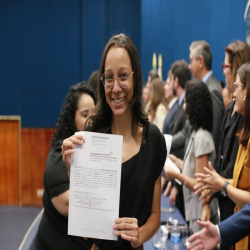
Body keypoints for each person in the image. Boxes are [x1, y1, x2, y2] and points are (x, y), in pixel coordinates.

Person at [62, 34, 167, 250]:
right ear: (102, 83)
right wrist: (72, 168)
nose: (116, 87)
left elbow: (155, 215)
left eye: (123, 76)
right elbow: (85, 230)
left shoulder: (153, 140)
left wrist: (140, 235)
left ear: (135, 78)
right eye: (109, 77)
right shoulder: (90, 137)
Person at [194, 63, 250, 250]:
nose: (233, 94)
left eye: (237, 87)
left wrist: (223, 185)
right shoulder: (245, 138)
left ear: (246, 92)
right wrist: (219, 180)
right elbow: (242, 184)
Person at [35, 82, 97, 250]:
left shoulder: (97, 154)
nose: (91, 120)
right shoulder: (58, 153)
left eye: (94, 114)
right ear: (72, 117)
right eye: (85, 114)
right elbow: (67, 203)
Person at [164, 79, 218, 233]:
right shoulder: (196, 133)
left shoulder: (201, 138)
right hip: (194, 210)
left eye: (187, 101)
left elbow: (200, 186)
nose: (184, 106)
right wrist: (177, 162)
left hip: (201, 212)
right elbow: (193, 168)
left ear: (196, 105)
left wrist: (176, 175)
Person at [171, 40, 224, 156]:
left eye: (191, 61)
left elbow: (212, 139)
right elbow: (187, 131)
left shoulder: (212, 92)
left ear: (200, 61)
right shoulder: (201, 89)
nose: (189, 67)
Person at [162, 70, 178, 135]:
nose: (164, 87)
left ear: (174, 85)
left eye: (168, 84)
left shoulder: (176, 109)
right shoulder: (171, 107)